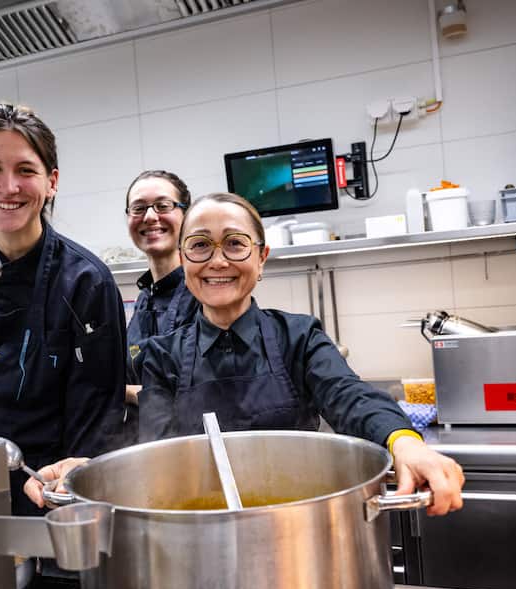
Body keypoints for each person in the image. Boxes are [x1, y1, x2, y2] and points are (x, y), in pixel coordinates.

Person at [26, 192, 463, 516]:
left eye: (235, 244)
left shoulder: (299, 336)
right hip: (195, 527)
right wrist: (93, 469)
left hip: (300, 522)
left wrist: (405, 442)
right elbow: (152, 452)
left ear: (262, 257)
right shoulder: (162, 356)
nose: (217, 261)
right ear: (184, 258)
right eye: (200, 245)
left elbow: (350, 396)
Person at [0, 103, 128, 517]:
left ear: (51, 181)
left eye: (25, 170)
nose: (9, 186)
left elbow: (98, 415)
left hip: (52, 493)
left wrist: (69, 489)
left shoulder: (85, 282)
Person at [123, 170, 200, 404]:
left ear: (186, 215)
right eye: (138, 208)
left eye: (163, 205)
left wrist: (118, 391)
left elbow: (193, 391)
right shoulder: (144, 298)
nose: (149, 216)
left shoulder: (202, 293)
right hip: (145, 434)